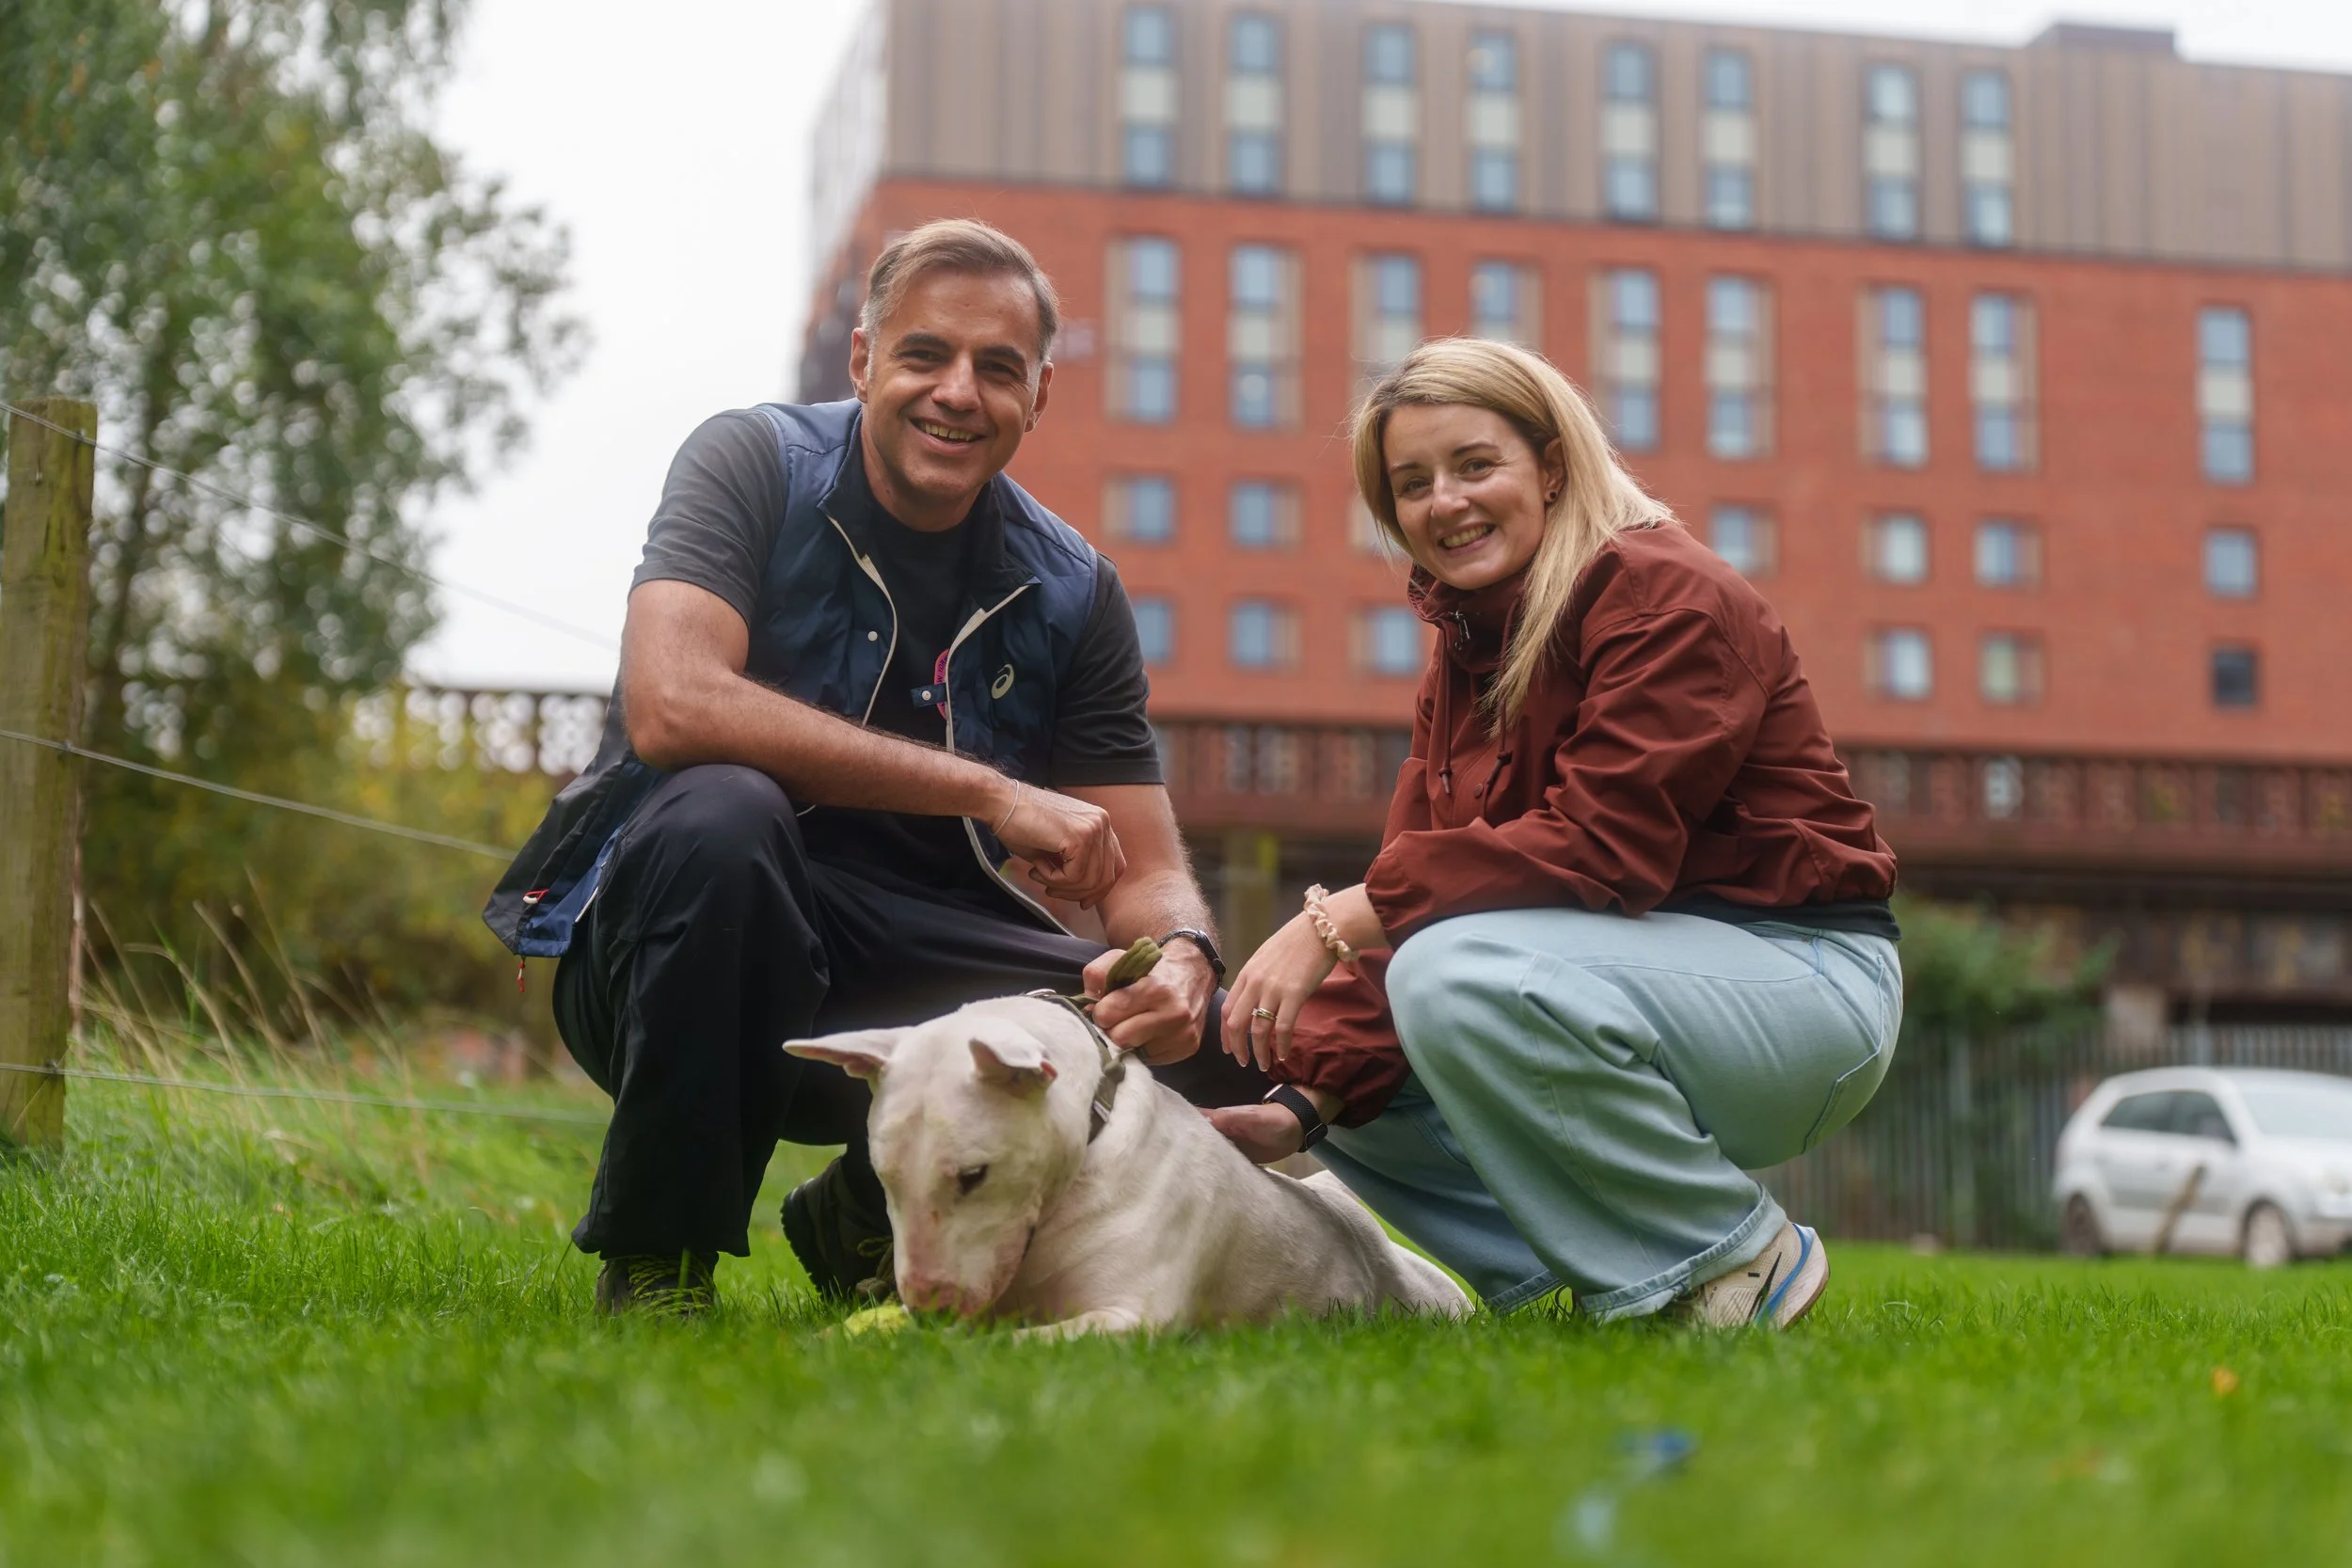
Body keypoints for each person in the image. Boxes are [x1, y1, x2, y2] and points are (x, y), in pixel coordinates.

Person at [485, 219, 1262, 1315]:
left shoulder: (1077, 589)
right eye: (923, 354)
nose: (957, 391)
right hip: (672, 952)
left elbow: (1139, 860)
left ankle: (856, 1215)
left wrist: (1179, 951)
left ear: (1038, 397)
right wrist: (988, 788)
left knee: (1230, 1039)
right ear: (862, 361)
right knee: (725, 813)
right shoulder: (749, 462)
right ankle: (659, 1263)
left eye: (998, 368)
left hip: (911, 966)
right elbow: (673, 700)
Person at [1210, 338, 1903, 1328]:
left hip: (1803, 985)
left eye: (1473, 464)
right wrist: (1295, 1112)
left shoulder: (1667, 591)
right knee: (1349, 1075)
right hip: (1633, 985)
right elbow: (1435, 891)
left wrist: (1332, 922)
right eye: (1411, 484)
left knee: (1444, 973)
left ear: (1551, 465)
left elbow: (1601, 847)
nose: (1442, 502)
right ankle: (1593, 1290)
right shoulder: (1466, 653)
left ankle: (1736, 1256)